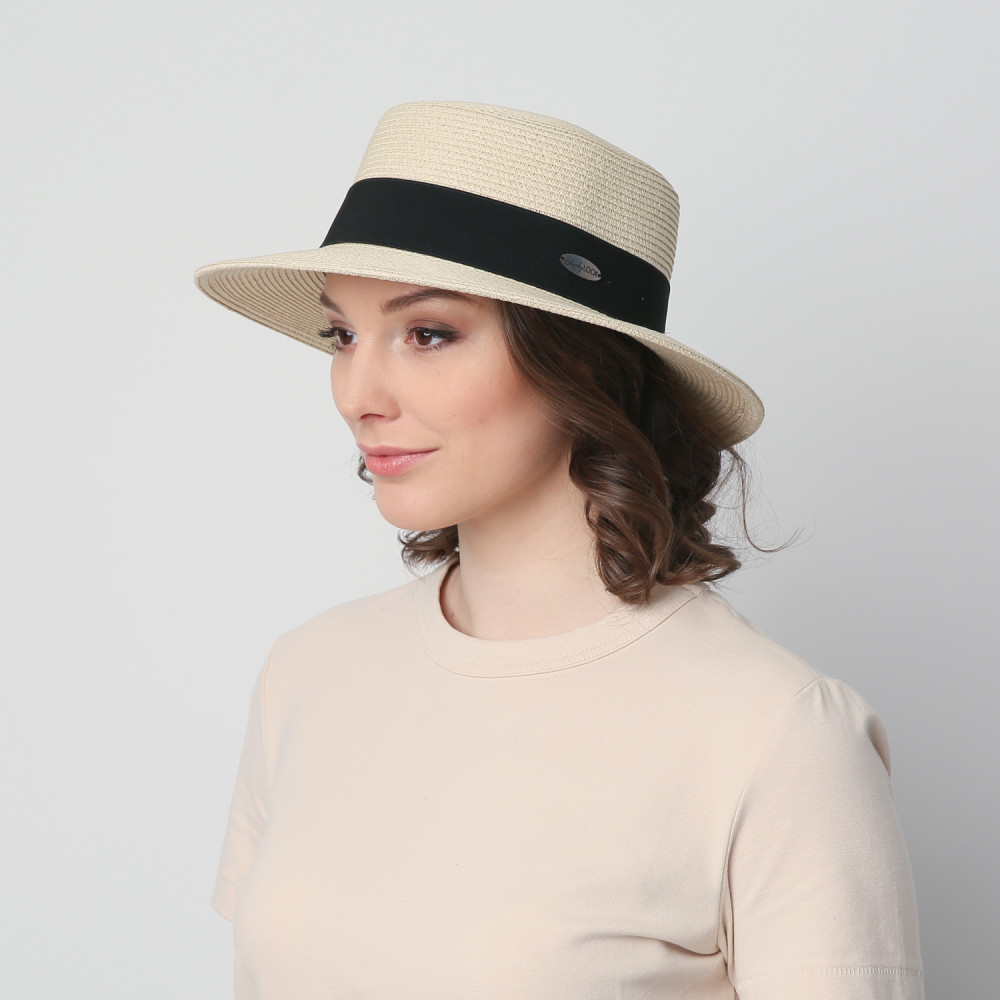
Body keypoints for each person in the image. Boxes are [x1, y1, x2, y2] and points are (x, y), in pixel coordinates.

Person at [194, 101, 924, 1000]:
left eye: (428, 333)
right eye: (341, 335)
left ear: (580, 363)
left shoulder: (778, 733)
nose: (357, 393)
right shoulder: (308, 672)